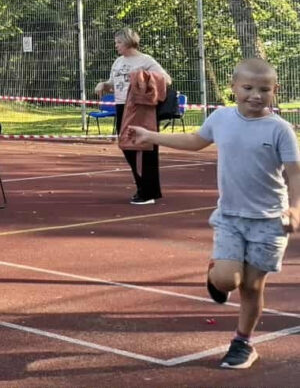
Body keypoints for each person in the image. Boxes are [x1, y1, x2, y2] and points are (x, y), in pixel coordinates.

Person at [127, 58, 300, 370]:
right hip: (231, 218)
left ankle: (242, 343)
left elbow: (295, 173)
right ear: (233, 87)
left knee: (252, 287)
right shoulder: (221, 118)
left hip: (270, 221)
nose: (255, 95)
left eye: (264, 89)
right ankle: (215, 273)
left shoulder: (281, 130)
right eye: (248, 88)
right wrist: (151, 136)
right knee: (227, 280)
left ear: (275, 90)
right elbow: (195, 140)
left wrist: (296, 207)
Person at [94, 27, 172, 205]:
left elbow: (166, 79)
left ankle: (147, 192)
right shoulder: (118, 62)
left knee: (143, 148)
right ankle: (144, 187)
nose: (116, 45)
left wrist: (142, 78)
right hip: (122, 106)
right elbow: (113, 84)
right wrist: (103, 84)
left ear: (129, 42)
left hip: (140, 108)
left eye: (119, 42)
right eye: (116, 42)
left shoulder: (145, 60)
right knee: (126, 146)